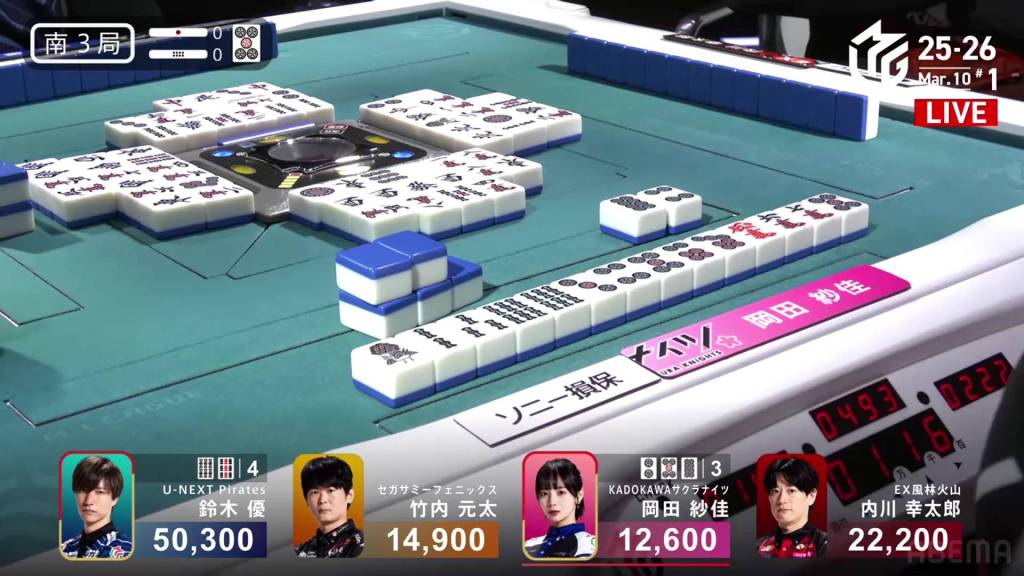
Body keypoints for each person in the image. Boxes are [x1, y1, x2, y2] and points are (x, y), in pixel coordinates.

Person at [60, 456, 132, 559]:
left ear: (115, 498)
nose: (88, 501)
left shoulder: (124, 549)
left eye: (100, 492)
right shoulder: (65, 548)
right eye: (83, 490)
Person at [524, 458, 596, 559]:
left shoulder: (590, 546)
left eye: (561, 492)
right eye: (544, 494)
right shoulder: (528, 545)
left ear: (579, 496)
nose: (551, 502)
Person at [757, 457, 828, 558]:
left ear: (811, 496)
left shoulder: (824, 545)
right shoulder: (758, 547)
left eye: (791, 490)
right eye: (775, 491)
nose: (781, 499)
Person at [294, 456, 364, 558]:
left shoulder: (361, 545)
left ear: (349, 496)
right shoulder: (301, 551)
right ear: (307, 500)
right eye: (315, 492)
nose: (322, 500)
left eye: (330, 490)